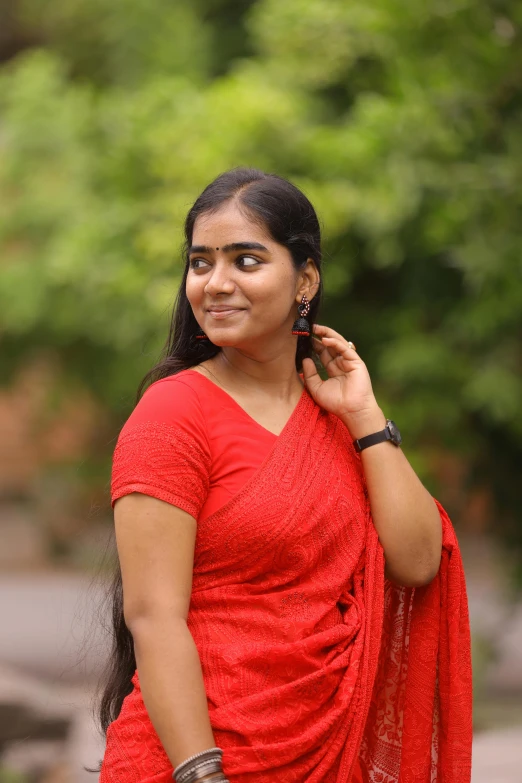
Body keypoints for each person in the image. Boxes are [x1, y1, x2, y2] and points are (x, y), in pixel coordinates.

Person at [97, 167, 472, 783]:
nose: (216, 284)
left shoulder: (336, 420)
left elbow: (419, 560)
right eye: (200, 263)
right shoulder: (173, 412)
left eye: (246, 261)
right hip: (194, 757)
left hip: (325, 751)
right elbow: (153, 616)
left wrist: (364, 415)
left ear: (305, 279)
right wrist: (202, 774)